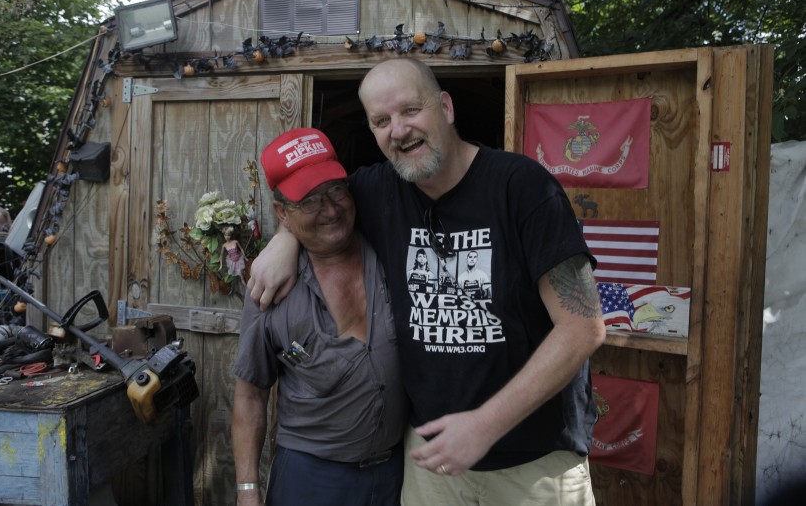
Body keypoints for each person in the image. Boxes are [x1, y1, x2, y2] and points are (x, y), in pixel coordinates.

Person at [248, 58, 606, 505]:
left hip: (532, 462)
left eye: (411, 110)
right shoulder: (377, 190)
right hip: (431, 463)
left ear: (446, 108)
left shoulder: (522, 187)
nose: (399, 130)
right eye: (381, 121)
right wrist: (284, 240)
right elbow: (316, 208)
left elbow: (582, 327)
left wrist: (485, 424)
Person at [231, 128, 408, 506]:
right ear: (282, 212)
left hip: (397, 472)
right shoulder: (268, 288)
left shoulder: (387, 244)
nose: (330, 209)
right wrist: (247, 491)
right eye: (309, 200)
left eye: (336, 190)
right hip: (311, 479)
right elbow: (250, 395)